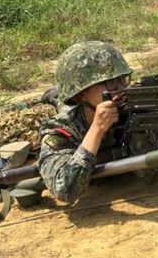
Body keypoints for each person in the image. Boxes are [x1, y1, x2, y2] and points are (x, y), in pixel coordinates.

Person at [39, 41, 133, 203]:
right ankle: (55, 96)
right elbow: (65, 191)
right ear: (81, 94)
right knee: (64, 108)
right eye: (110, 82)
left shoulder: (130, 111)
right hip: (76, 113)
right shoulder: (59, 129)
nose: (120, 88)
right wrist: (97, 130)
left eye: (123, 78)